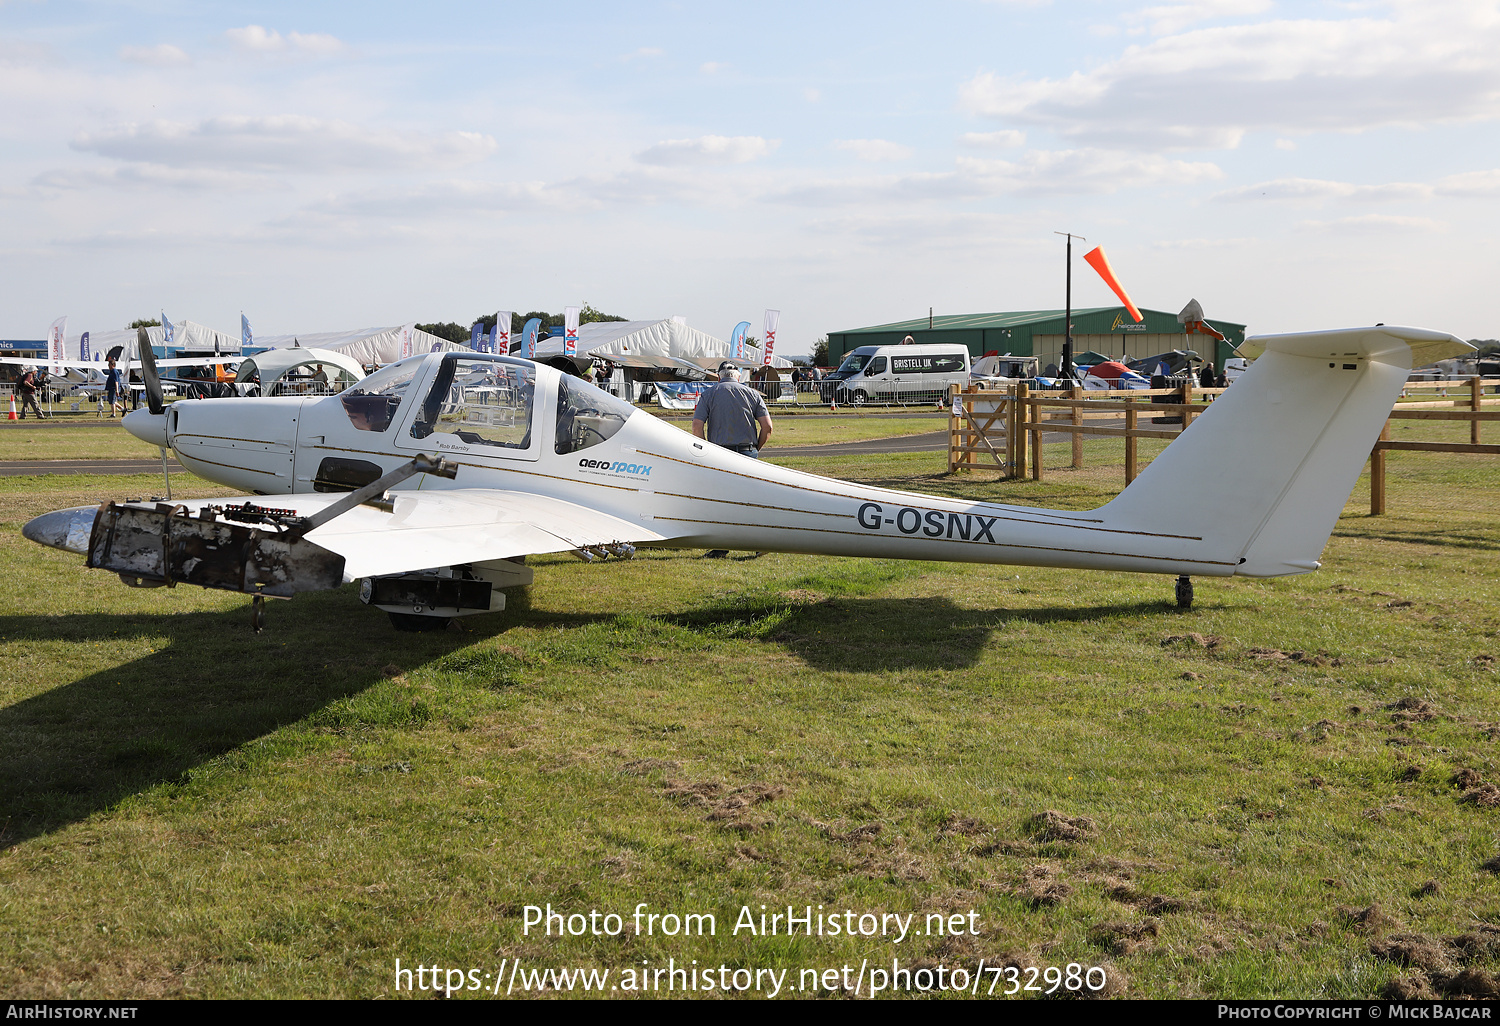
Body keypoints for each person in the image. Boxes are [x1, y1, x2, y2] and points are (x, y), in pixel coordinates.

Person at [692, 363, 773, 558]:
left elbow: (696, 426)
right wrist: (756, 448)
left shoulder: (710, 394)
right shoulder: (753, 394)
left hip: (720, 454)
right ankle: (759, 542)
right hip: (747, 451)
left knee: (721, 502)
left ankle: (721, 546)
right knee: (751, 500)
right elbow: (767, 427)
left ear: (719, 377)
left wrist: (706, 450)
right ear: (738, 377)